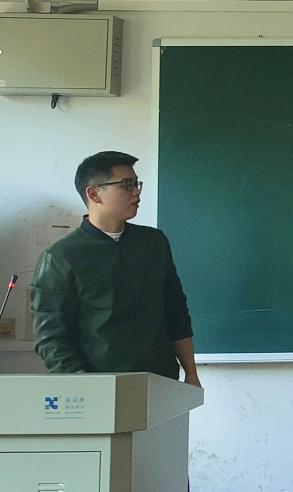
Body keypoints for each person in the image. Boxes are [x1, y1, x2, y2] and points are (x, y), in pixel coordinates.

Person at [30, 151, 200, 387]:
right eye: (127, 185)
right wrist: (83, 386)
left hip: (161, 384)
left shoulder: (153, 243)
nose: (136, 192)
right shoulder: (61, 257)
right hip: (100, 387)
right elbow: (50, 337)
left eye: (137, 184)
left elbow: (176, 312)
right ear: (94, 194)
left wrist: (191, 373)